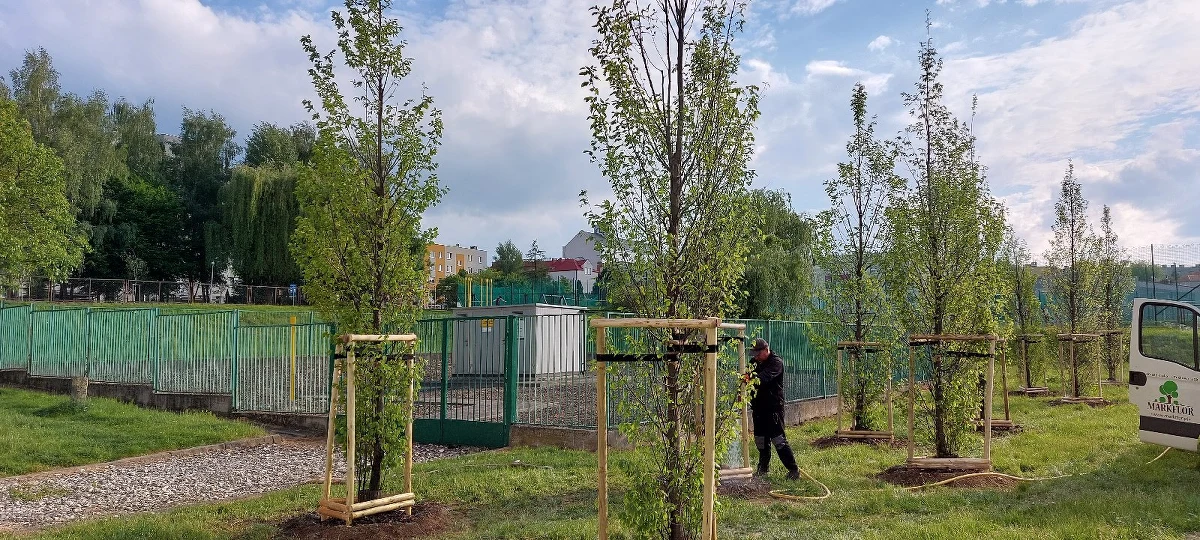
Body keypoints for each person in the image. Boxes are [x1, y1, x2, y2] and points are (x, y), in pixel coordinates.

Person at [746, 338, 800, 480]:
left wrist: (748, 378)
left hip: (773, 408)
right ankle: (763, 469)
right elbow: (747, 378)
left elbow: (762, 379)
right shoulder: (753, 363)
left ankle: (793, 470)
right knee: (760, 440)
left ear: (766, 350)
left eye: (758, 353)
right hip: (758, 408)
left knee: (778, 440)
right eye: (754, 354)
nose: (755, 357)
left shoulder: (776, 363)